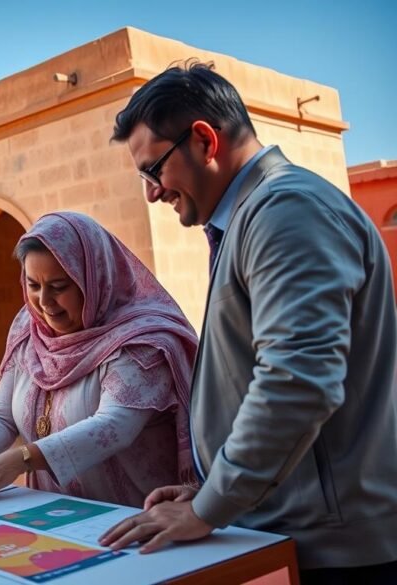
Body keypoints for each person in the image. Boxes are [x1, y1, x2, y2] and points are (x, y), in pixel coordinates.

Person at [98, 63, 397, 582]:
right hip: (297, 528)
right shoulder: (256, 215)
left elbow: (296, 382)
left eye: (153, 170)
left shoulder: (286, 212)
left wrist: (209, 507)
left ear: (204, 141)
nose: (151, 192)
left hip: (337, 551)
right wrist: (210, 488)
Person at [0, 213, 198, 510]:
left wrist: (22, 458)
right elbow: (3, 414)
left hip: (135, 518)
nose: (43, 302)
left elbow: (113, 426)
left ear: (94, 279)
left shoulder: (143, 343)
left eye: (59, 286)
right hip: (59, 520)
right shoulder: (28, 330)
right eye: (33, 285)